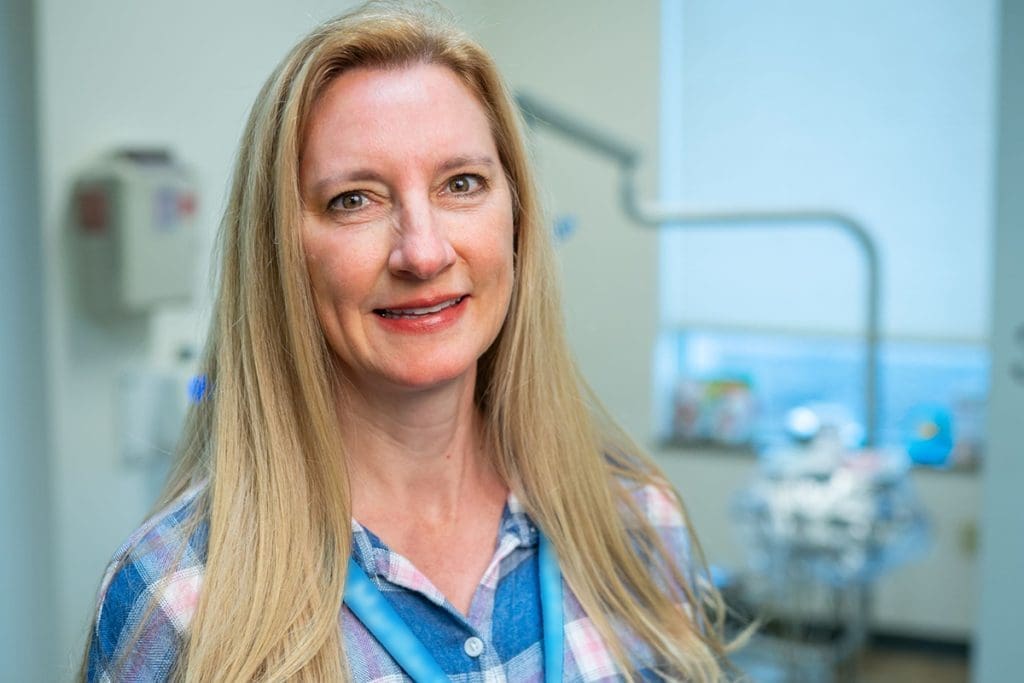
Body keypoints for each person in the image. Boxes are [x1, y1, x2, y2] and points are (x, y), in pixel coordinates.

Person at [82, 1, 732, 680]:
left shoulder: (637, 527)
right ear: (281, 254)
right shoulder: (181, 599)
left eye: (461, 183)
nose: (422, 253)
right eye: (354, 199)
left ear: (516, 217)